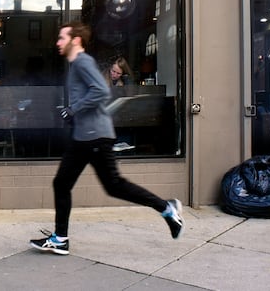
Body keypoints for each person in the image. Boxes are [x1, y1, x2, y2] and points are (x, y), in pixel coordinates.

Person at [29, 21, 184, 255]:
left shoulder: (83, 61)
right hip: (86, 136)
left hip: (94, 137)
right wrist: (73, 113)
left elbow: (101, 91)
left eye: (62, 38)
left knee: (112, 185)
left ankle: (167, 208)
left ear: (76, 40)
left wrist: (74, 109)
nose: (58, 42)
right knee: (71, 184)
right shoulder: (76, 65)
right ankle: (60, 238)